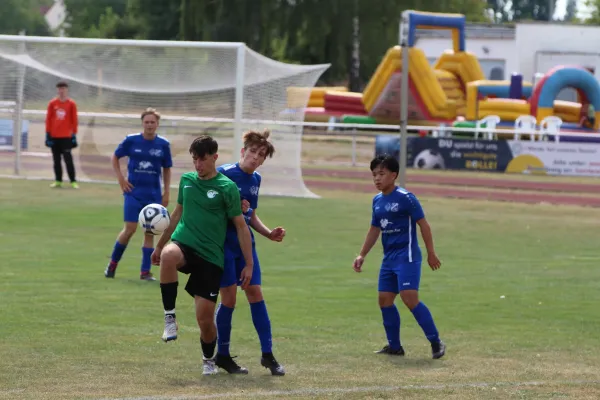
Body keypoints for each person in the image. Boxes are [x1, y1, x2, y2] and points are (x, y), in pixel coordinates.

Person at [151, 135, 254, 376]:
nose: (198, 165)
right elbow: (176, 215)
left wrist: (248, 264)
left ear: (214, 158)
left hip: (210, 258)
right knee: (168, 255)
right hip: (184, 245)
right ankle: (169, 318)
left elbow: (240, 226)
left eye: (203, 160)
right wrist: (159, 246)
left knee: (205, 321)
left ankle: (209, 359)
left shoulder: (226, 188)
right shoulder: (187, 181)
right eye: (195, 160)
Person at [353, 154, 446, 359]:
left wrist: (431, 253)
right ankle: (395, 346)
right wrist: (362, 254)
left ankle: (435, 341)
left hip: (408, 255)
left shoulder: (406, 198)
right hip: (389, 258)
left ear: (393, 175)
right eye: (374, 175)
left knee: (409, 298)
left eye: (382, 174)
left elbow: (424, 225)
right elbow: (374, 229)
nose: (377, 178)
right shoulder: (377, 201)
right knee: (384, 300)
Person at [214, 130, 286, 376]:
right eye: (253, 152)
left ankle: (268, 355)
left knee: (255, 292)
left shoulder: (255, 179)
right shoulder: (223, 174)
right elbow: (211, 210)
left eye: (261, 155)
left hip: (246, 246)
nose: (255, 157)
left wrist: (268, 233)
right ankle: (222, 355)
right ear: (243, 151)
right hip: (223, 247)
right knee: (229, 299)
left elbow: (250, 215)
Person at [104, 108, 172, 281]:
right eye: (147, 122)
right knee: (130, 229)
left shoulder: (163, 144)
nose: (149, 125)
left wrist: (166, 192)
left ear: (157, 124)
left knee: (150, 232)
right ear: (142, 123)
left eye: (153, 122)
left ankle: (145, 272)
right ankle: (112, 264)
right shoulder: (131, 141)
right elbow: (115, 157)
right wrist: (121, 179)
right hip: (133, 193)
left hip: (153, 194)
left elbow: (167, 168)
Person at [45, 81, 79, 188]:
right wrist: (47, 134)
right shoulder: (52, 103)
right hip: (54, 136)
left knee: (68, 160)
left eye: (63, 89)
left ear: (67, 90)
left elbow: (74, 119)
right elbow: (48, 119)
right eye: (60, 89)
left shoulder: (71, 104)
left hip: (66, 137)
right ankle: (58, 180)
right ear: (57, 90)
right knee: (56, 160)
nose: (61, 91)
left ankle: (73, 181)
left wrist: (74, 134)